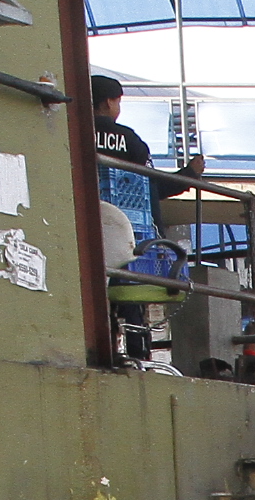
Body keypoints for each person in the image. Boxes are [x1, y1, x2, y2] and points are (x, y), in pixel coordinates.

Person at [88, 77, 163, 363]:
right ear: (109, 102)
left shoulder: (74, 131)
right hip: (127, 228)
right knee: (130, 291)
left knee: (95, 293)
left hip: (85, 227)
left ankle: (102, 349)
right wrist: (190, 174)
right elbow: (152, 184)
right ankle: (138, 355)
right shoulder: (129, 139)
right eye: (118, 101)